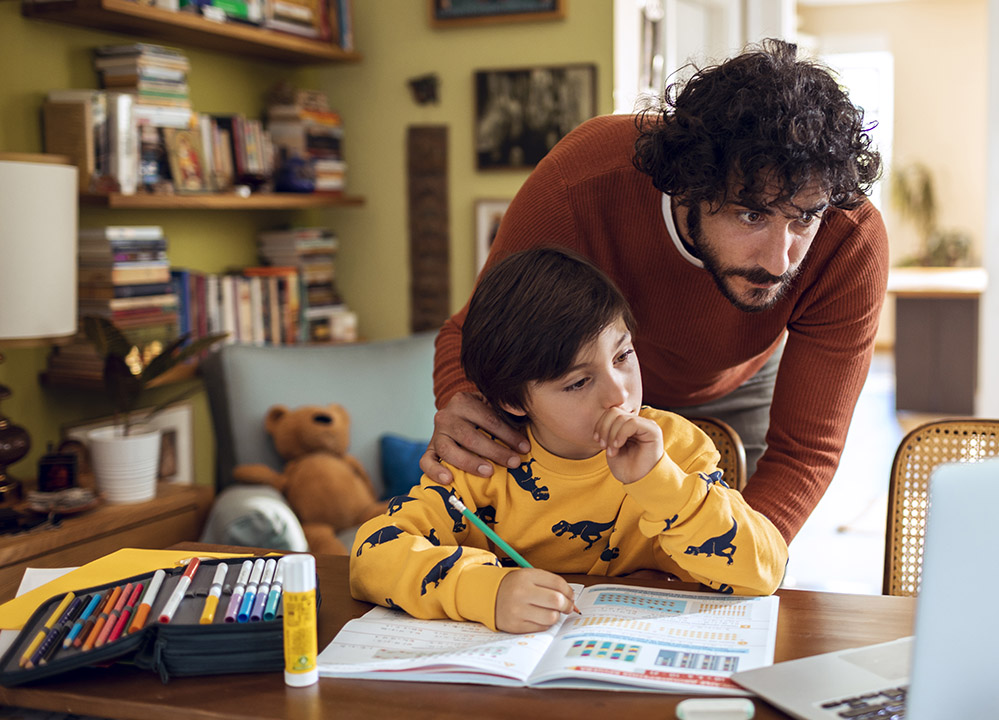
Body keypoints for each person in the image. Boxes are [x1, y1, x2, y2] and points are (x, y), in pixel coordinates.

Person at [422, 39, 888, 544]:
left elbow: (804, 452)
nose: (779, 261)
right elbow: (470, 334)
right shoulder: (579, 185)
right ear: (688, 185)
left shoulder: (850, 240)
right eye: (750, 215)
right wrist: (465, 399)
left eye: (803, 219)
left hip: (739, 387)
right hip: (583, 394)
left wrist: (737, 559)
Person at [351, 249, 787, 633]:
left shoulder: (678, 448)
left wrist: (663, 484)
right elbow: (372, 554)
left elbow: (765, 572)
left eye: (623, 356)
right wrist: (485, 591)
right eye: (578, 382)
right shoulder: (481, 463)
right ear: (513, 400)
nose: (618, 394)